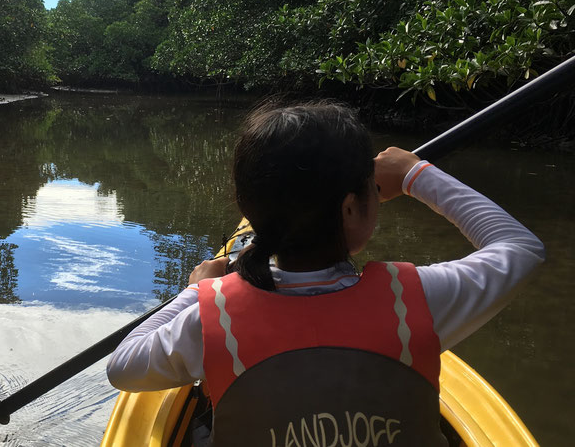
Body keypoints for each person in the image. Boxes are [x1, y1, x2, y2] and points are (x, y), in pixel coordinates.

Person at [106, 102, 545, 446]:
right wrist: (415, 174)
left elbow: (123, 368)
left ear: (247, 208)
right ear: (352, 208)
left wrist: (199, 290)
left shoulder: (210, 318)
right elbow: (521, 248)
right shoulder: (419, 301)